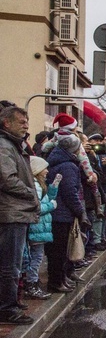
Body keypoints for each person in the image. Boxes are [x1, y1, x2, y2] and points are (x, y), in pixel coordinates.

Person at [0, 106, 40, 324]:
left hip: (16, 211)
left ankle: (10, 303)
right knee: (10, 265)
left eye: (27, 120)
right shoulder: (4, 146)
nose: (26, 124)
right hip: (11, 212)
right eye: (21, 121)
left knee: (13, 263)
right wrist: (29, 194)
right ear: (7, 123)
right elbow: (6, 178)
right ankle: (7, 308)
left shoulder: (15, 145)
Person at [45, 134, 89, 293]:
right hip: (62, 214)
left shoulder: (57, 162)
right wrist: (80, 211)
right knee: (59, 251)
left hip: (57, 212)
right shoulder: (68, 166)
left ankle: (61, 279)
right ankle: (56, 281)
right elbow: (71, 192)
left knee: (58, 250)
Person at [24, 157, 60, 300]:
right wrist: (51, 206)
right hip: (37, 227)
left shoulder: (40, 184)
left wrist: (54, 187)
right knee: (36, 258)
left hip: (40, 227)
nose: (47, 171)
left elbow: (47, 198)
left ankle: (32, 282)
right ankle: (31, 284)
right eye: (44, 168)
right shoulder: (35, 186)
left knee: (35, 257)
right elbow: (37, 207)